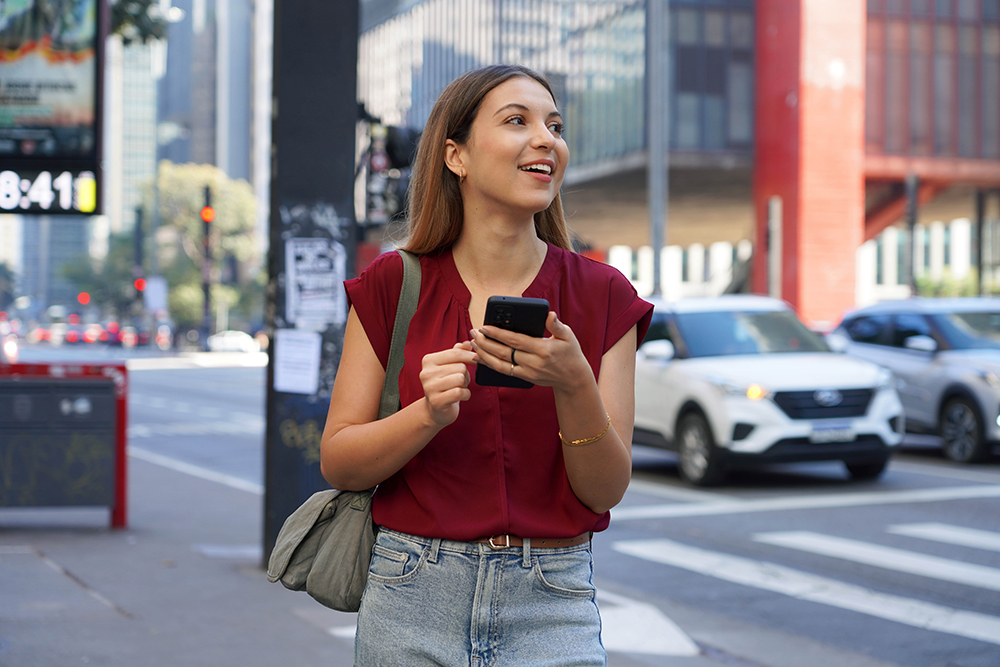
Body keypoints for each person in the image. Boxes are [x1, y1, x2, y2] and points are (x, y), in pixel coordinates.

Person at [320, 64, 653, 667]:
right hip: (411, 589)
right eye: (517, 121)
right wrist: (426, 415)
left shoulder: (604, 295)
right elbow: (339, 461)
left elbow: (605, 491)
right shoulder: (392, 284)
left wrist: (573, 381)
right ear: (457, 156)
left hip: (552, 594)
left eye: (554, 125)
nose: (546, 139)